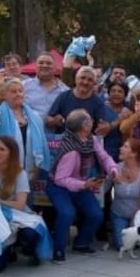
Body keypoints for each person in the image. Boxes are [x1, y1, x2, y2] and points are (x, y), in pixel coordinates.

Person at [46, 109, 119, 262]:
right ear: (84, 126)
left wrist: (113, 169)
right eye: (90, 121)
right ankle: (58, 249)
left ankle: (81, 243)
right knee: (67, 213)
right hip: (59, 187)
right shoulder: (71, 150)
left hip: (80, 184)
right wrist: (84, 184)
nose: (93, 122)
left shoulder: (90, 139)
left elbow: (104, 157)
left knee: (96, 214)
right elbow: (61, 179)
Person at [0, 135, 47, 271]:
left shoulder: (20, 174)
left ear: (11, 154)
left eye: (2, 149)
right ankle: (9, 250)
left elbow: (19, 204)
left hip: (19, 217)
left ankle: (29, 250)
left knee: (31, 234)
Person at [109, 138, 140, 250]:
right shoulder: (116, 168)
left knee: (135, 242)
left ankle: (139, 236)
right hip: (119, 213)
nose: (120, 149)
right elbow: (104, 188)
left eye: (125, 147)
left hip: (139, 216)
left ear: (134, 153)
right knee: (123, 245)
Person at [46, 66, 107, 134]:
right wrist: (54, 121)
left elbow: (103, 125)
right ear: (76, 79)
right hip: (63, 141)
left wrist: (103, 127)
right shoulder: (63, 97)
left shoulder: (98, 102)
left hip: (86, 142)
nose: (85, 82)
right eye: (82, 78)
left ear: (94, 83)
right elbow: (48, 120)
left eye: (90, 80)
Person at [23, 53, 68, 122]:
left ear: (55, 68)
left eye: (49, 63)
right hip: (29, 131)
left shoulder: (65, 90)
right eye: (41, 63)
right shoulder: (23, 86)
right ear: (36, 66)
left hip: (57, 132)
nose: (44, 65)